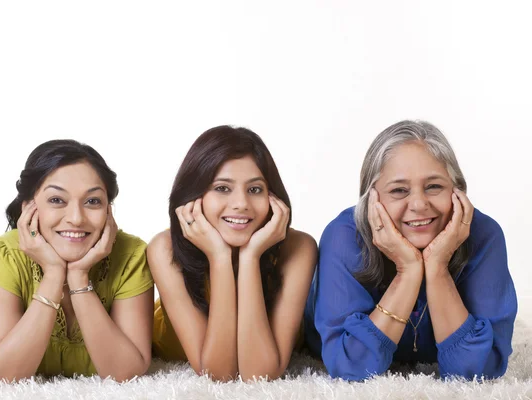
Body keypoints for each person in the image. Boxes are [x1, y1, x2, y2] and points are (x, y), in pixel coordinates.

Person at [304, 120, 517, 381]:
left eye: (434, 186)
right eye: (399, 190)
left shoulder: (485, 236)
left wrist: (437, 267)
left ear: (457, 191)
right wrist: (408, 271)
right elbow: (351, 367)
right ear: (372, 199)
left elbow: (479, 372)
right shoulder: (344, 237)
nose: (418, 204)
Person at [0, 140, 154, 382]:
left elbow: (127, 373)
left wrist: (78, 278)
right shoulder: (1, 254)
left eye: (93, 201)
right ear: (29, 209)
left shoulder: (132, 255)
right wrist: (54, 274)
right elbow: (6, 375)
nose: (76, 218)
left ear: (109, 211)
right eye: (57, 200)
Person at [150, 125, 317, 381]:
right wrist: (219, 257)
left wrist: (250, 257)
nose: (241, 204)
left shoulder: (299, 248)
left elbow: (258, 374)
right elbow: (218, 373)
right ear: (194, 196)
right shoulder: (164, 249)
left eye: (255, 189)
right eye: (222, 188)